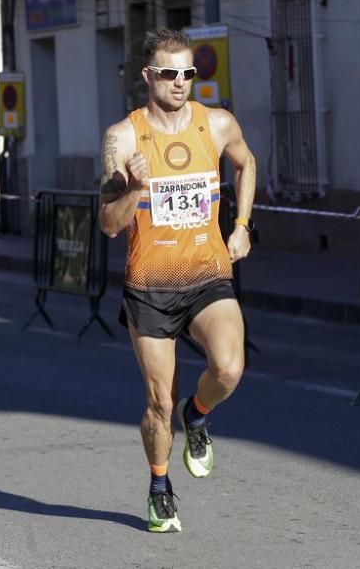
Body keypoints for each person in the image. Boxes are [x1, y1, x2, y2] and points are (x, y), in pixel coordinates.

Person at [98, 28, 257, 533]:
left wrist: (242, 226)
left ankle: (200, 414)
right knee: (158, 402)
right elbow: (107, 223)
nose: (180, 83)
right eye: (169, 74)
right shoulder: (122, 138)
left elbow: (247, 164)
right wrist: (137, 188)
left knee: (229, 369)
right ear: (149, 76)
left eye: (189, 73)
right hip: (149, 285)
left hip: (208, 273)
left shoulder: (217, 124)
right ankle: (160, 485)